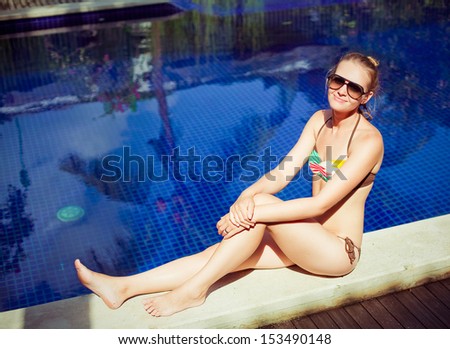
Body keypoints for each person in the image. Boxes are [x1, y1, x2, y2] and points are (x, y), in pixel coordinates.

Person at [75, 52, 384, 317]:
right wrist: (244, 198)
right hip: (305, 239)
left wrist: (250, 212)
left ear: (366, 96)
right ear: (330, 79)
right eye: (337, 80)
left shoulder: (368, 141)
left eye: (353, 87)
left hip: (338, 251)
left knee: (259, 210)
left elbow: (321, 204)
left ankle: (194, 292)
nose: (342, 90)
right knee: (220, 252)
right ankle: (122, 287)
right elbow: (284, 171)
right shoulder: (321, 120)